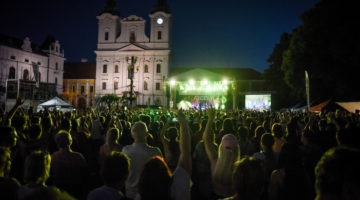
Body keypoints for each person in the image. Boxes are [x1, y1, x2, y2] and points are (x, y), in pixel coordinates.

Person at [137, 109, 192, 200]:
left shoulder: (166, 143)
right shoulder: (179, 144)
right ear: (177, 134)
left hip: (168, 166)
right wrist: (183, 123)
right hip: (177, 168)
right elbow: (186, 149)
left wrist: (168, 122)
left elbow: (161, 134)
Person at [203, 108, 240, 198]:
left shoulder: (215, 161)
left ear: (221, 148)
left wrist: (211, 119)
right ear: (236, 150)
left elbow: (206, 139)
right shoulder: (240, 169)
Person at [122, 121, 163, 199]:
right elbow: (161, 174)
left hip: (129, 193)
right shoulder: (155, 152)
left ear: (132, 134)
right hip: (149, 194)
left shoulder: (125, 150)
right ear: (147, 134)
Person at [51, 130, 88, 199]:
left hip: (60, 191)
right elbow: (85, 173)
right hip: (76, 189)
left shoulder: (53, 157)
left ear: (57, 142)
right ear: (70, 141)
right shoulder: (78, 156)